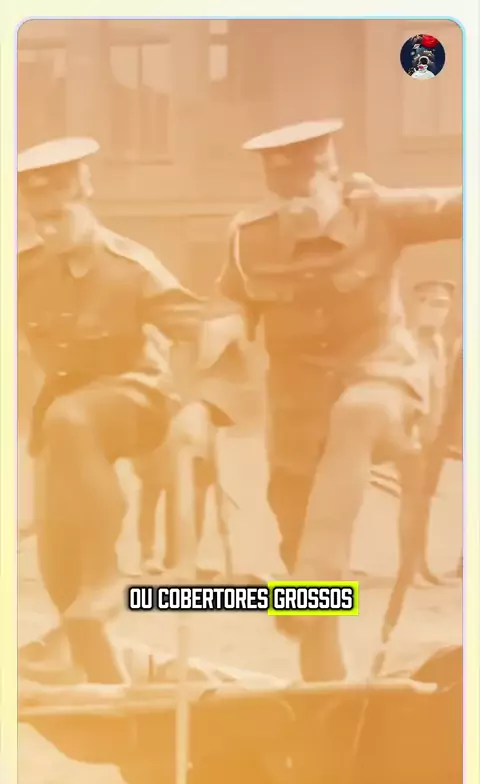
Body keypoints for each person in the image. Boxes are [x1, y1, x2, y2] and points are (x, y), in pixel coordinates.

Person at [209, 119, 462, 680]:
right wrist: (220, 344)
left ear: (334, 176)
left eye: (307, 193)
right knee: (296, 528)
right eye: (284, 197)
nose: (295, 209)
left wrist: (403, 200)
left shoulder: (380, 213)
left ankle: (313, 582)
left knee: (358, 412)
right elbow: (231, 305)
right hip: (298, 408)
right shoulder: (248, 238)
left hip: (384, 384)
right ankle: (323, 672)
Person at [17, 137, 240, 681]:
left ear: (85, 196)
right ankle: (102, 674)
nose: (50, 231)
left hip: (137, 400)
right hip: (62, 421)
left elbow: (209, 335)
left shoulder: (131, 266)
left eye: (60, 217)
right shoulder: (23, 270)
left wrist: (203, 405)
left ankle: (107, 573)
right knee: (57, 564)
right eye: (40, 221)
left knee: (71, 418)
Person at [396, 280, 459, 587]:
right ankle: (408, 569)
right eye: (433, 304)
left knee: (423, 501)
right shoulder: (404, 344)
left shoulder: (440, 343)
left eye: (444, 305)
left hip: (434, 436)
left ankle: (420, 564)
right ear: (418, 305)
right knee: (412, 500)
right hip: (411, 433)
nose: (439, 312)